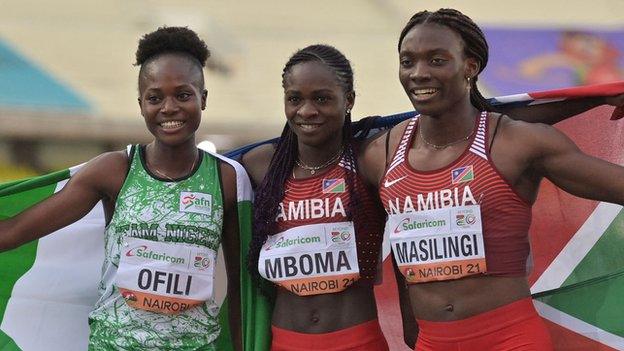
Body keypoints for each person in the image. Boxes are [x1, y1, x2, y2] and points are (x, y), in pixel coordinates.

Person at [360, 8, 624, 351]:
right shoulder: (380, 153)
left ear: (470, 66)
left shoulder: (518, 143)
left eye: (437, 60)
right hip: (431, 342)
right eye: (407, 61)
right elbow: (395, 236)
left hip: (509, 339)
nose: (419, 73)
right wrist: (411, 322)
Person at [0, 27, 242, 351]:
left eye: (183, 95)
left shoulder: (225, 179)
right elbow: (11, 233)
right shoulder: (115, 170)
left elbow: (242, 286)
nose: (168, 108)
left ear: (203, 98)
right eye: (155, 98)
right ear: (141, 104)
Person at [242, 44, 391, 351]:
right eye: (295, 99)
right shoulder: (260, 165)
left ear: (348, 100)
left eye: (322, 99)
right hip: (286, 341)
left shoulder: (368, 161)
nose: (307, 111)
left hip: (356, 340)